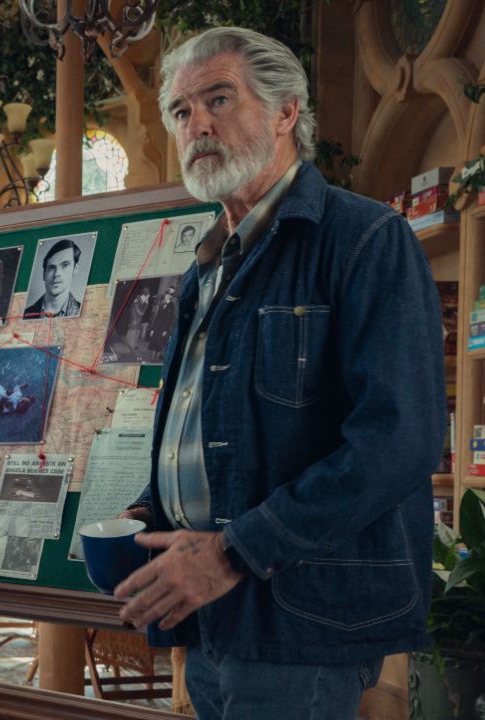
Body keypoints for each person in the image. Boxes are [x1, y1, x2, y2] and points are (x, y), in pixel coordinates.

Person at [114, 27, 444, 720]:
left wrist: (233, 551)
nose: (195, 123)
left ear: (286, 112)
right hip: (207, 612)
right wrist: (154, 507)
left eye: (219, 99)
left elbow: (398, 441)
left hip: (303, 619)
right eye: (180, 111)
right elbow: (210, 421)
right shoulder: (207, 262)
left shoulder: (366, 240)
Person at [24, 239, 83, 318]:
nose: (56, 274)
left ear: (75, 268)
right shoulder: (25, 315)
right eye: (51, 268)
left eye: (65, 265)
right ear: (44, 274)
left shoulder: (84, 312)